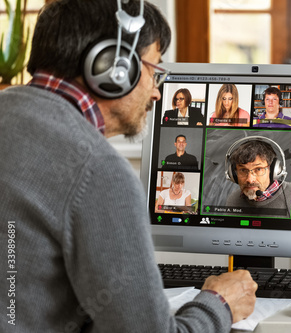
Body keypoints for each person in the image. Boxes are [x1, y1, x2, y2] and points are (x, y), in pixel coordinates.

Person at [0, 1, 257, 332]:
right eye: (154, 71)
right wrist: (219, 303)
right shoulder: (97, 170)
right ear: (112, 68)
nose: (157, 93)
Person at [225, 139, 291, 217]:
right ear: (233, 174)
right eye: (243, 170)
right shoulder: (233, 199)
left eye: (258, 169)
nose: (250, 180)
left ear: (274, 170)